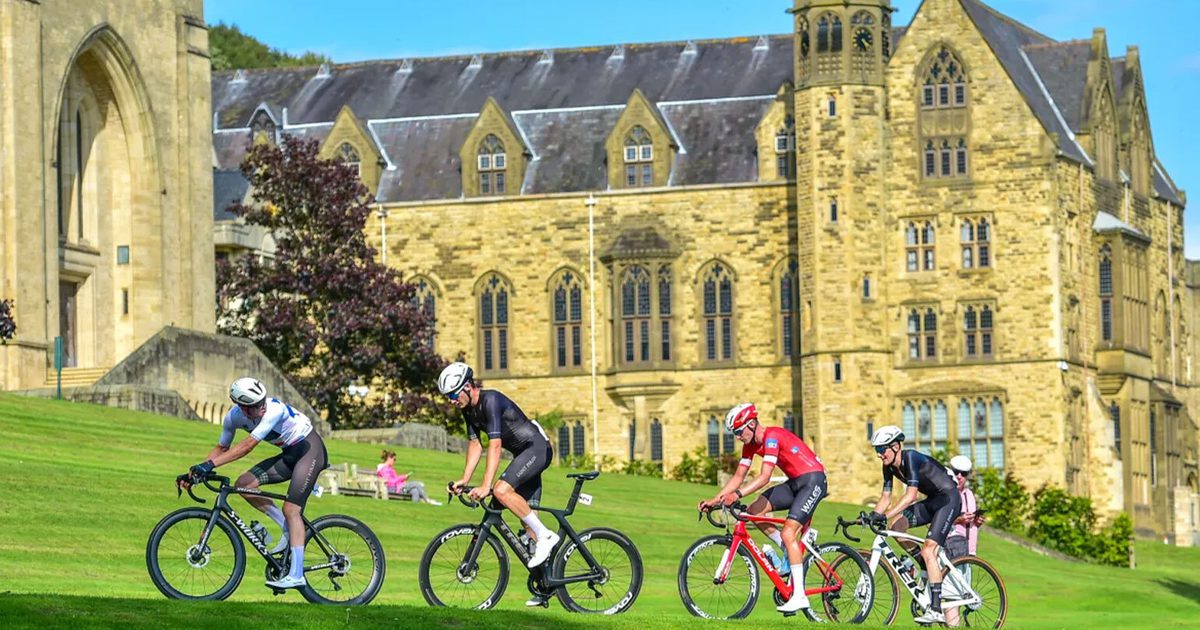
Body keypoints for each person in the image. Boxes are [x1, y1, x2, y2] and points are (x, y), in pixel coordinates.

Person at [181, 377, 327, 590]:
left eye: (261, 402)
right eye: (255, 406)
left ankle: (297, 575)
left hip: (309, 450)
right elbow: (222, 448)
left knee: (292, 509)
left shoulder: (273, 410)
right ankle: (287, 529)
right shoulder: (233, 418)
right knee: (244, 484)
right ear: (241, 406)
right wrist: (194, 472)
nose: (261, 407)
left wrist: (210, 465)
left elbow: (247, 446)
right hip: (289, 455)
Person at [438, 362, 558, 607]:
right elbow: (475, 445)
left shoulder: (490, 400)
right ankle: (547, 585)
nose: (451, 401)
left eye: (452, 395)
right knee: (527, 522)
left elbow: (494, 445)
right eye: (447, 397)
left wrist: (485, 486)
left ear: (467, 386)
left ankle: (547, 535)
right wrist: (464, 480)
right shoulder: (468, 411)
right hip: (523, 455)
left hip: (535, 449)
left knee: (501, 491)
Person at [699, 403, 827, 614]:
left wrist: (737, 495)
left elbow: (765, 477)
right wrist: (715, 499)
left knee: (788, 531)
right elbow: (739, 477)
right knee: (754, 511)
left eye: (739, 432)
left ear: (751, 424)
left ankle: (800, 596)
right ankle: (787, 548)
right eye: (735, 433)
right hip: (795, 483)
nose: (738, 437)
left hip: (814, 480)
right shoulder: (749, 446)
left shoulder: (772, 436)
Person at [866, 425, 962, 625]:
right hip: (933, 500)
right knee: (896, 528)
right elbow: (886, 497)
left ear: (896, 446)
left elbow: (911, 496)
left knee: (929, 550)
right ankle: (924, 567)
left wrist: (887, 514)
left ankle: (936, 609)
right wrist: (873, 515)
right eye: (877, 450)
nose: (879, 454)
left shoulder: (910, 458)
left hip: (948, 500)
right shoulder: (888, 466)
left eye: (882, 449)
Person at [944, 454, 984, 628]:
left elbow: (972, 526)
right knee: (952, 594)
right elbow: (934, 521)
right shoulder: (944, 493)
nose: (959, 476)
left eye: (964, 473)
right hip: (950, 548)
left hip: (967, 551)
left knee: (960, 595)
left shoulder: (969, 495)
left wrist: (977, 522)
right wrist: (958, 520)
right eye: (956, 472)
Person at [376, 449, 441, 505]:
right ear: (389, 458)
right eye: (394, 459)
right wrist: (403, 477)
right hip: (396, 490)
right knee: (418, 484)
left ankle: (415, 507)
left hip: (399, 488)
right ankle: (427, 500)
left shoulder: (390, 469)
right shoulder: (384, 469)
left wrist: (404, 478)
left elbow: (394, 480)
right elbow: (391, 482)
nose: (395, 461)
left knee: (415, 490)